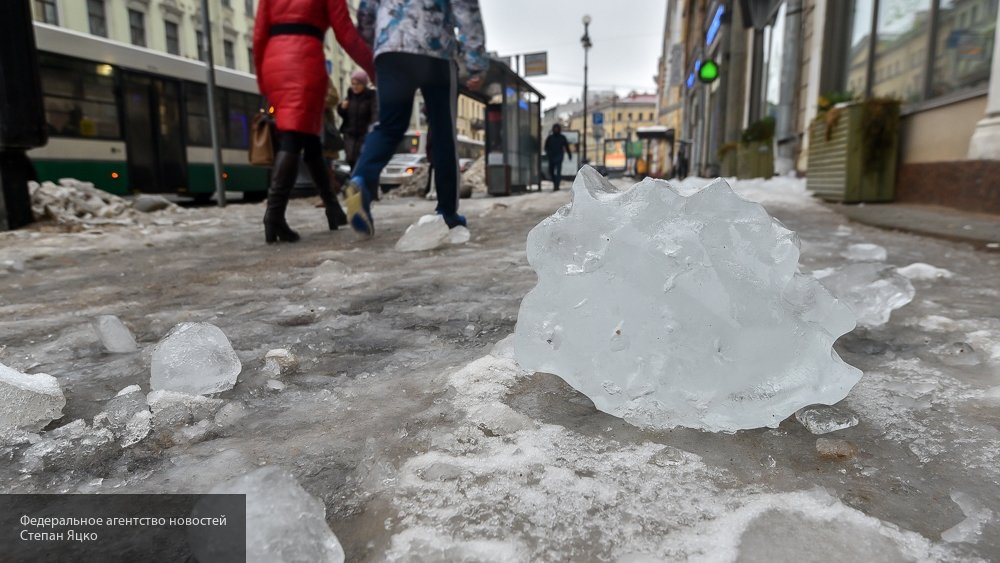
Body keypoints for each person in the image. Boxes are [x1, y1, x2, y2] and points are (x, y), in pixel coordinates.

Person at [344, 0, 487, 237]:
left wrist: (378, 43)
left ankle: (361, 179)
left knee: (388, 126)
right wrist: (476, 62)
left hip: (390, 46)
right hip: (435, 47)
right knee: (443, 131)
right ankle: (448, 213)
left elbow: (366, 10)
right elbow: (465, 7)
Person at [253, 0, 375, 244]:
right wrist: (374, 67)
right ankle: (274, 215)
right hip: (304, 60)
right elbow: (346, 34)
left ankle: (333, 209)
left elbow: (258, 35)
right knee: (293, 138)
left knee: (310, 143)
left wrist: (263, 79)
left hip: (274, 62)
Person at [338, 70, 377, 169]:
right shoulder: (350, 95)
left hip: (364, 135)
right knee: (351, 160)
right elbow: (343, 114)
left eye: (358, 84)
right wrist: (342, 108)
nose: (355, 87)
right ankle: (354, 180)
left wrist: (372, 129)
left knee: (361, 161)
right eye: (353, 84)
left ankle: (360, 182)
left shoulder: (371, 96)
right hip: (350, 135)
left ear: (364, 84)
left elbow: (375, 114)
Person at [544, 123, 572, 191]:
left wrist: (569, 154)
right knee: (551, 171)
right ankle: (555, 183)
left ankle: (557, 185)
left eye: (557, 128)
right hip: (551, 156)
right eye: (555, 128)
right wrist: (548, 153)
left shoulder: (562, 137)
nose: (556, 130)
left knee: (558, 172)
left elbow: (566, 146)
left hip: (559, 156)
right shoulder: (550, 137)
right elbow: (546, 147)